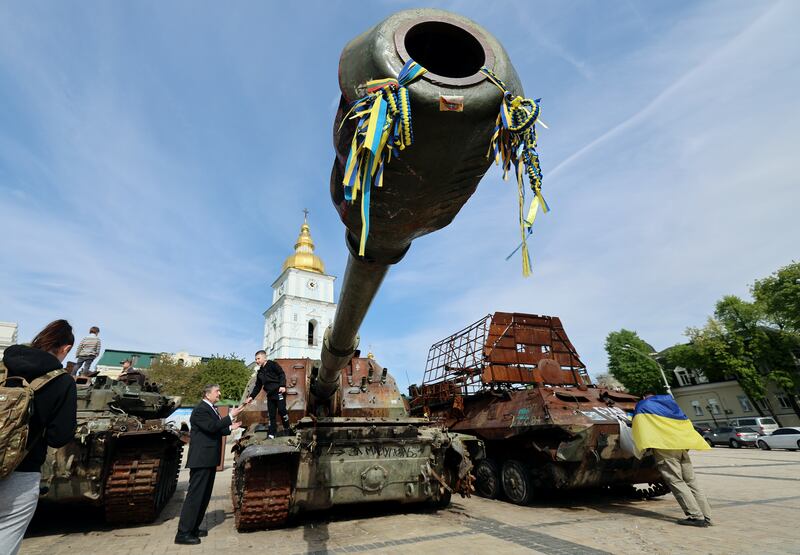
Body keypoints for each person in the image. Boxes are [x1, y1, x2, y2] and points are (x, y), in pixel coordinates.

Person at [0, 320, 78, 555]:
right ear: (65, 348)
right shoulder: (62, 381)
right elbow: (58, 437)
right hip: (20, 473)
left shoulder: (3, 366)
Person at [175, 384, 242, 545]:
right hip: (201, 459)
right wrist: (230, 416)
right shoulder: (201, 409)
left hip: (208, 459)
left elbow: (215, 429)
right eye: (216, 391)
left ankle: (193, 528)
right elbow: (211, 427)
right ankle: (183, 533)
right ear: (207, 394)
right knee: (195, 496)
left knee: (204, 496)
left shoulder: (211, 409)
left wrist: (230, 427)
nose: (219, 393)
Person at [632, 392, 712, 527]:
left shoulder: (644, 405)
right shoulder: (670, 404)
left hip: (665, 448)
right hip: (681, 446)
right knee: (691, 482)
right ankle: (707, 516)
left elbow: (638, 425)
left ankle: (695, 516)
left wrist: (641, 448)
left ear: (644, 397)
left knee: (676, 481)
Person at [245, 350, 291, 438]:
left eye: (258, 359)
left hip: (279, 392)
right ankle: (271, 433)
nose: (257, 361)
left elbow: (281, 374)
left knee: (282, 410)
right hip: (270, 395)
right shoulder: (260, 372)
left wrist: (282, 385)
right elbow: (258, 386)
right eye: (256, 359)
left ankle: (287, 428)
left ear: (264, 358)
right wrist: (251, 397)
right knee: (271, 415)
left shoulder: (273, 365)